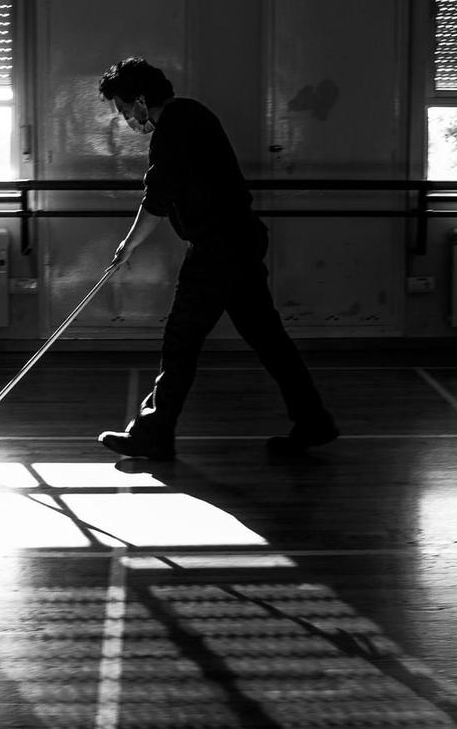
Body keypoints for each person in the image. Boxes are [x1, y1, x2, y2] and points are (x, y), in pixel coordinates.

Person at [94, 57, 338, 461]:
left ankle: (153, 433)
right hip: (237, 243)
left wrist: (128, 246)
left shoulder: (174, 127)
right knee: (268, 338)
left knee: (181, 341)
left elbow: (157, 197)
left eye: (123, 110)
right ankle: (314, 420)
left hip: (219, 250)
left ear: (139, 100)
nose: (126, 120)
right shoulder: (191, 114)